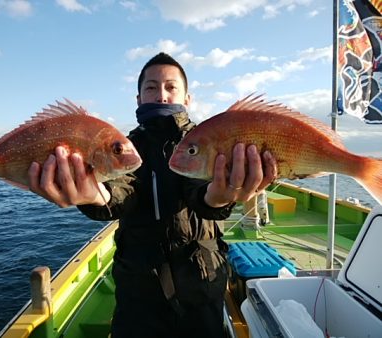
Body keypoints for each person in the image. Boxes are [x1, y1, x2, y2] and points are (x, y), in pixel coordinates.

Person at [28, 52, 278, 338]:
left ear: (187, 99)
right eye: (151, 87)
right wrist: (96, 196)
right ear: (138, 99)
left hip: (201, 285)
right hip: (138, 293)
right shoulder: (125, 148)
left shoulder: (206, 140)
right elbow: (122, 189)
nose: (161, 95)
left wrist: (219, 196)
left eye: (171, 87)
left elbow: (199, 192)